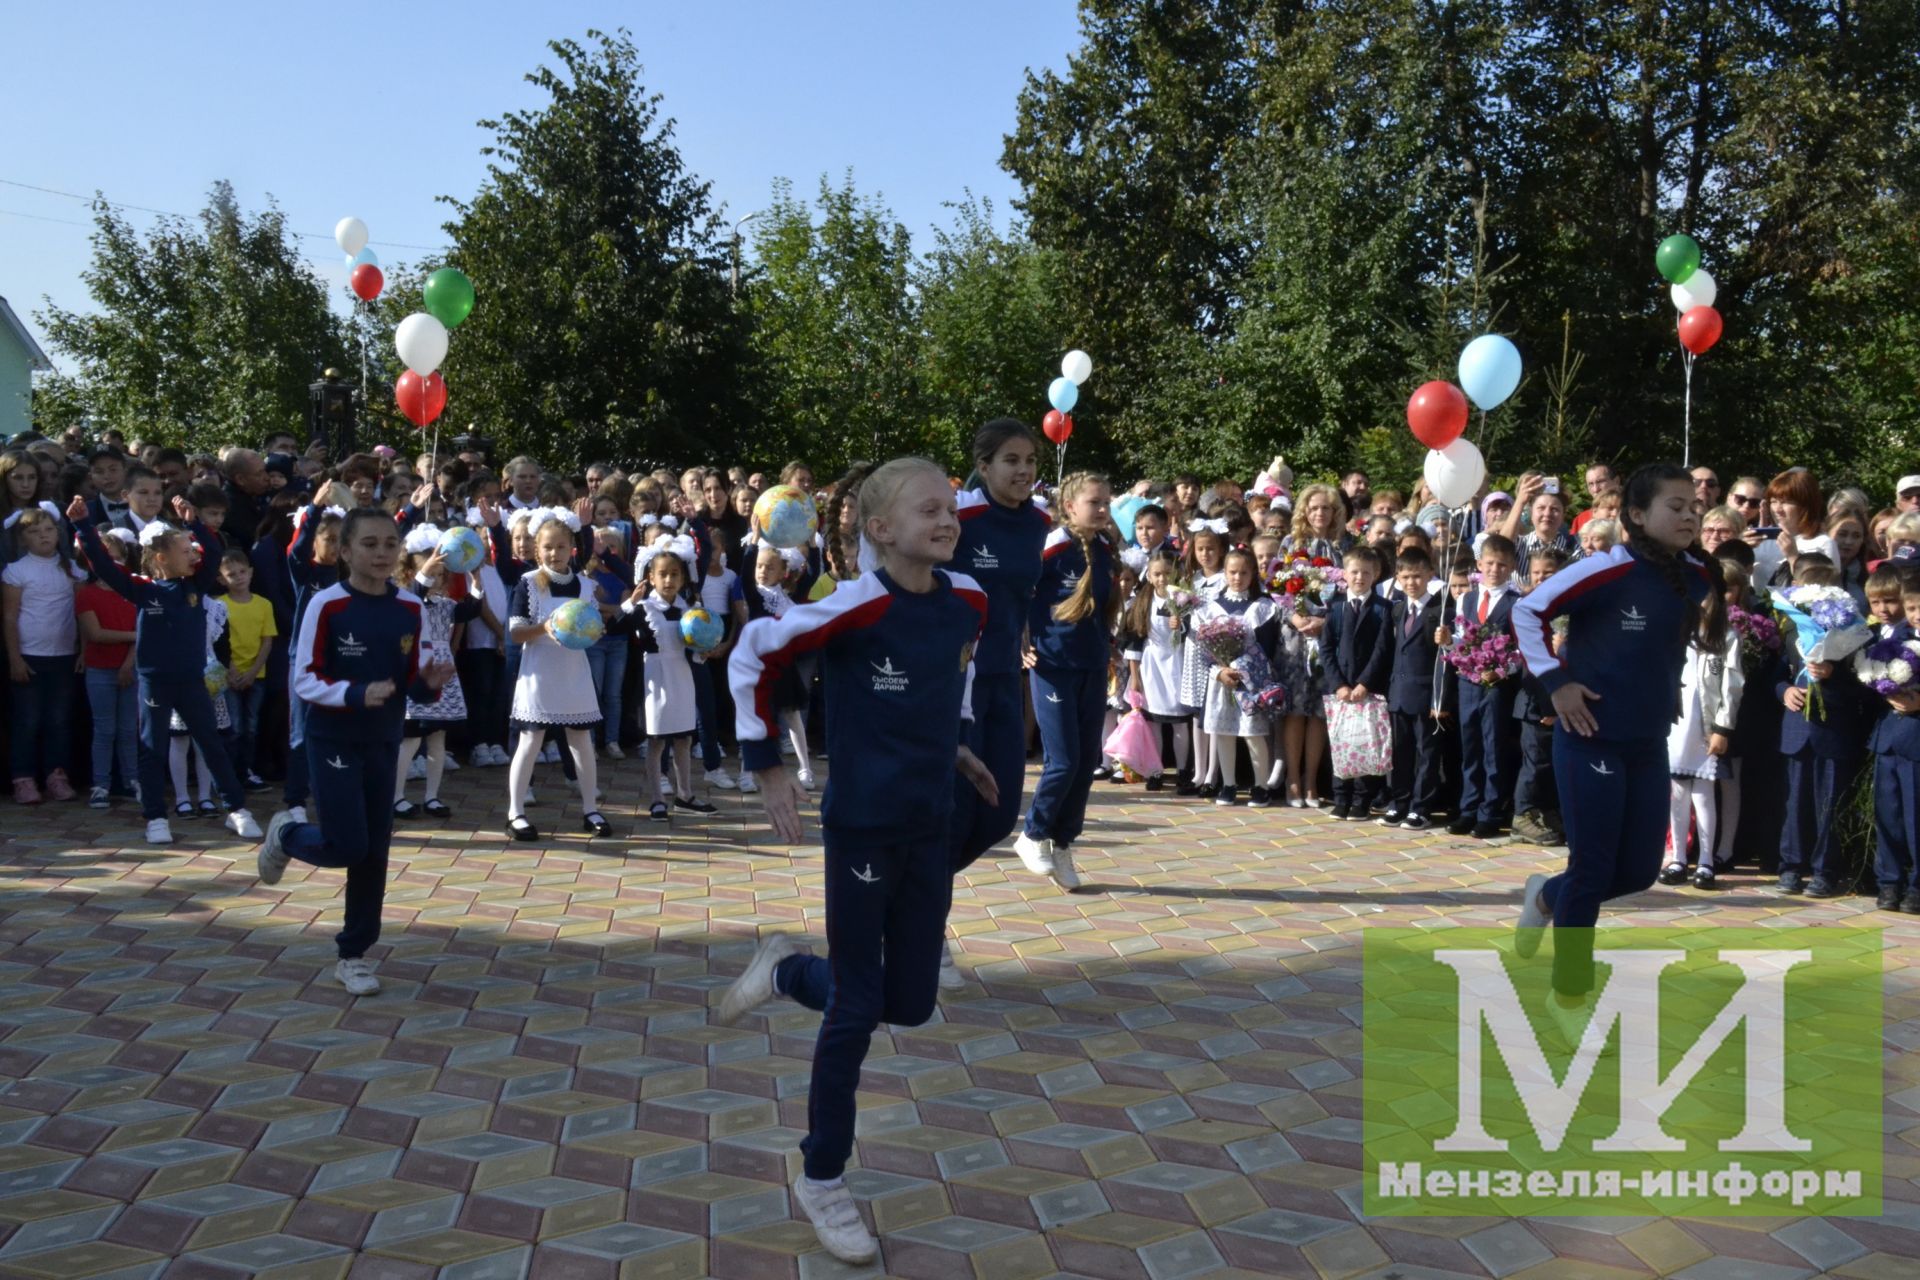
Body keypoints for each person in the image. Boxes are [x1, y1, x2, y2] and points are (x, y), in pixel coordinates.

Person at [720, 456, 994, 1266]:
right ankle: (823, 1174)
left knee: (908, 1004)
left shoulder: (967, 602)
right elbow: (750, 657)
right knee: (856, 1007)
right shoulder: (852, 606)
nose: (946, 520)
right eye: (927, 510)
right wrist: (765, 760)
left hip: (930, 824)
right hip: (864, 828)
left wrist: (957, 748)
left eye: (950, 508)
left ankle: (783, 972)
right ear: (879, 530)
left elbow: (949, 681)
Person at [1511, 464, 1712, 1034]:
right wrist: (1555, 679)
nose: (1690, 515)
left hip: (1648, 740)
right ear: (1637, 515)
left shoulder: (1697, 574)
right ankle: (1569, 998)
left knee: (1639, 871)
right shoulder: (1604, 569)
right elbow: (1527, 610)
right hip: (1588, 736)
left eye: (1694, 505)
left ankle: (1546, 897)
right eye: (1676, 506)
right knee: (1594, 867)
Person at [255, 508, 453, 995]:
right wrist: (352, 693)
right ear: (344, 552)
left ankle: (355, 954)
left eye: (390, 543)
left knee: (375, 850)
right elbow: (303, 678)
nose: (382, 553)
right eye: (369, 544)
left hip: (383, 739)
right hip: (332, 738)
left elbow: (413, 678)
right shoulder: (326, 604)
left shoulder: (411, 606)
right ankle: (289, 834)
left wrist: (427, 686)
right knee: (347, 845)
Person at [66, 495, 261, 845]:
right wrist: (82, 525)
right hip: (155, 684)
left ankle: (236, 809)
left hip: (192, 682)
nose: (193, 554)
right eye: (185, 550)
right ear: (161, 558)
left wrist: (193, 523)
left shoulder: (194, 587)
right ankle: (156, 817)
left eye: (191, 549)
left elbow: (214, 554)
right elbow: (104, 565)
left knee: (211, 744)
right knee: (152, 748)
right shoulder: (144, 590)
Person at [949, 420, 1051, 918]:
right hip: (955, 682)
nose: (1024, 470)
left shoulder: (1038, 522)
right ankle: (922, 923)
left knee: (999, 814)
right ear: (983, 466)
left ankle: (915, 890)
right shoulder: (961, 515)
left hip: (1007, 680)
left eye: (1030, 460)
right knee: (953, 810)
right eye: (1011, 461)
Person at [1015, 472, 1116, 890]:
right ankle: (1033, 834)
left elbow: (1104, 602)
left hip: (1091, 665)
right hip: (1053, 665)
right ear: (1071, 506)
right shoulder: (1052, 544)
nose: (1104, 509)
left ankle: (1062, 841)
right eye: (1095, 503)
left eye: (1107, 502)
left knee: (1086, 762)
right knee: (1063, 759)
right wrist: (1020, 641)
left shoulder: (1105, 547)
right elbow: (1018, 591)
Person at [504, 508, 610, 840]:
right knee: (530, 740)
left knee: (581, 739)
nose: (555, 553)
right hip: (539, 672)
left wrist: (595, 631)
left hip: (573, 670)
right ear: (538, 549)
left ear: (572, 549)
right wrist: (544, 628)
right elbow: (516, 633)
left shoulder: (585, 586)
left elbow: (593, 626)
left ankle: (590, 808)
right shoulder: (528, 584)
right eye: (548, 547)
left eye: (561, 547)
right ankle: (516, 811)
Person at [1773, 561, 1870, 898]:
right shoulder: (1789, 626)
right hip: (1798, 727)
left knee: (1829, 804)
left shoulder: (1849, 627)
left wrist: (1833, 674)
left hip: (1834, 728)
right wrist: (1784, 690)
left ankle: (1825, 871)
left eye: (1823, 583)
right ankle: (1790, 866)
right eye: (1807, 582)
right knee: (1795, 803)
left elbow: (1864, 685)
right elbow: (1775, 675)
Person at [1657, 556, 1740, 889]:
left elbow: (1729, 685)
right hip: (1675, 725)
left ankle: (1706, 860)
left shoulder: (1726, 638)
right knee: (1677, 794)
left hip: (1704, 726)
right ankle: (1678, 857)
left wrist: (1723, 727)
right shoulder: (1676, 631)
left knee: (1703, 795)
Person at [628, 534, 714, 822]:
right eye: (662, 574)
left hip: (682, 676)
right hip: (656, 677)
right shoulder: (644, 608)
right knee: (656, 742)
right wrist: (630, 603)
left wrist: (705, 647)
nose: (668, 580)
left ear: (683, 578)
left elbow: (694, 645)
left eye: (674, 574)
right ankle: (656, 799)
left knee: (683, 739)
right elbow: (616, 628)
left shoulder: (688, 610)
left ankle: (685, 794)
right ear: (651, 578)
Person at [393, 528, 478, 818]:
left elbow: (471, 611)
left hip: (443, 671)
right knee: (411, 736)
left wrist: (476, 583)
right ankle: (396, 795)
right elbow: (416, 592)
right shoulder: (405, 600)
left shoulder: (446, 604)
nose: (436, 580)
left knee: (438, 737)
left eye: (440, 574)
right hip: (420, 669)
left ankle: (432, 796)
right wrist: (423, 575)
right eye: (430, 573)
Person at [1444, 533, 1522, 839]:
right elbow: (1462, 640)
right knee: (1470, 746)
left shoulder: (1517, 603)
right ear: (1479, 564)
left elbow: (1520, 649)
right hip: (1468, 682)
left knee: (1493, 747)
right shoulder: (1466, 598)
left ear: (1512, 567)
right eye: (1490, 563)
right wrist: (1450, 643)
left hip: (1497, 685)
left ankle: (1491, 812)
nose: (1495, 570)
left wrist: (1502, 670)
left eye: (1502, 565)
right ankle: (1468, 808)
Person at [4, 505, 82, 802]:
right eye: (34, 532)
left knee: (59, 719)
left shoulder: (71, 568)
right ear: (23, 538)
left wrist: (82, 651)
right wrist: (15, 658)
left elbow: (81, 613)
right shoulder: (16, 571)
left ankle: (56, 775)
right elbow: (10, 617)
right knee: (27, 720)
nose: (43, 536)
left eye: (48, 529)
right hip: (29, 656)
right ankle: (23, 778)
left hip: (63, 655)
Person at [1193, 546, 1281, 806]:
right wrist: (1220, 671)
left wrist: (1245, 668)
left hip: (1250, 682)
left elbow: (1268, 647)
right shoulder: (1210, 608)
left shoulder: (1263, 607)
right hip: (1221, 681)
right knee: (1223, 731)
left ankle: (1260, 785)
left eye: (1244, 572)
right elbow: (1202, 650)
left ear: (1253, 573)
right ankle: (1228, 784)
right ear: (1225, 573)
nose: (1237, 578)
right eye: (1232, 572)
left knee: (1253, 733)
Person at [1321, 544, 1391, 818]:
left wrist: (1365, 683)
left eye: (1366, 572)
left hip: (1368, 689)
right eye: (1354, 572)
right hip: (1340, 689)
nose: (1359, 577)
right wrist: (1338, 683)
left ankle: (1362, 799)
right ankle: (1341, 796)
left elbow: (1382, 651)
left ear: (1375, 575)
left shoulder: (1383, 609)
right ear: (1344, 574)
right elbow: (1326, 648)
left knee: (1366, 742)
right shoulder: (1335, 607)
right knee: (1341, 742)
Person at [1382, 546, 1447, 831]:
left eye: (1418, 576)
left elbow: (1445, 659)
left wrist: (1441, 697)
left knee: (1426, 754)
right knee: (1400, 753)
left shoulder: (1440, 610)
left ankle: (1421, 808)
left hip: (1426, 694)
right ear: (1397, 578)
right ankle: (1400, 802)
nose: (1412, 583)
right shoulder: (1396, 609)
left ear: (1430, 575)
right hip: (1399, 693)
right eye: (1406, 577)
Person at [75, 528, 141, 806]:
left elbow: (142, 629)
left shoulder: (135, 590)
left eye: (116, 558)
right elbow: (96, 634)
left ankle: (132, 780)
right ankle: (101, 784)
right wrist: (135, 637)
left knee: (129, 729)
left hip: (131, 667)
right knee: (104, 729)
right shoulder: (87, 594)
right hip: (100, 668)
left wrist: (128, 663)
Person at [1868, 563, 1920, 913]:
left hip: (1916, 740)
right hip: (1888, 736)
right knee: (1888, 813)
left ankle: (1916, 887)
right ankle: (1889, 882)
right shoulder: (1895, 639)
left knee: (1916, 817)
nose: (1916, 614)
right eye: (1913, 607)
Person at [1511, 548, 1569, 847]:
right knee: (1534, 763)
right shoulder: (1527, 608)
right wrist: (1547, 704)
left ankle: (1546, 813)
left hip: (1562, 702)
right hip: (1536, 702)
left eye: (1549, 572)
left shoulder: (1567, 608)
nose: (1541, 577)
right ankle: (1523, 815)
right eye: (1536, 572)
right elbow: (1531, 662)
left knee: (1550, 764)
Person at [216, 548, 277, 789]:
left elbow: (267, 641)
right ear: (221, 580)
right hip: (227, 675)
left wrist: (252, 672)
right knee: (233, 727)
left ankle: (246, 771)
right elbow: (217, 641)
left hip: (256, 675)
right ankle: (228, 774)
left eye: (243, 572)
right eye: (232, 574)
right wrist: (231, 670)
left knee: (251, 727)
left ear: (251, 573)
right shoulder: (219, 605)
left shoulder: (263, 604)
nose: (239, 577)